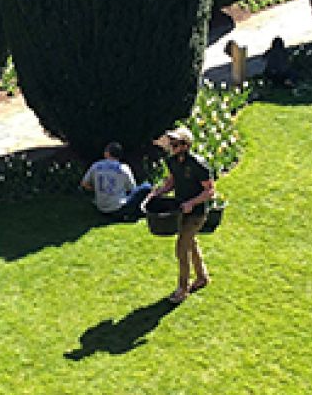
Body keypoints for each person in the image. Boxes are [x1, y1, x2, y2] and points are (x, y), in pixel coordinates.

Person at [144, 127, 215, 304]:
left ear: (185, 145)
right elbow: (172, 183)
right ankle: (202, 277)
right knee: (191, 242)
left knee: (182, 248)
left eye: (175, 144)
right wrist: (157, 193)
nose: (172, 146)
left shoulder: (197, 165)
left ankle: (183, 289)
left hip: (196, 213)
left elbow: (210, 191)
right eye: (171, 143)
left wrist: (192, 203)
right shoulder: (173, 161)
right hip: (180, 210)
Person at [80, 142, 152, 221]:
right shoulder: (123, 168)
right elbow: (132, 188)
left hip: (101, 208)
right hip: (118, 208)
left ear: (107, 153)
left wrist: (96, 189)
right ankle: (137, 212)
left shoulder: (96, 165)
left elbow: (84, 184)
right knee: (146, 186)